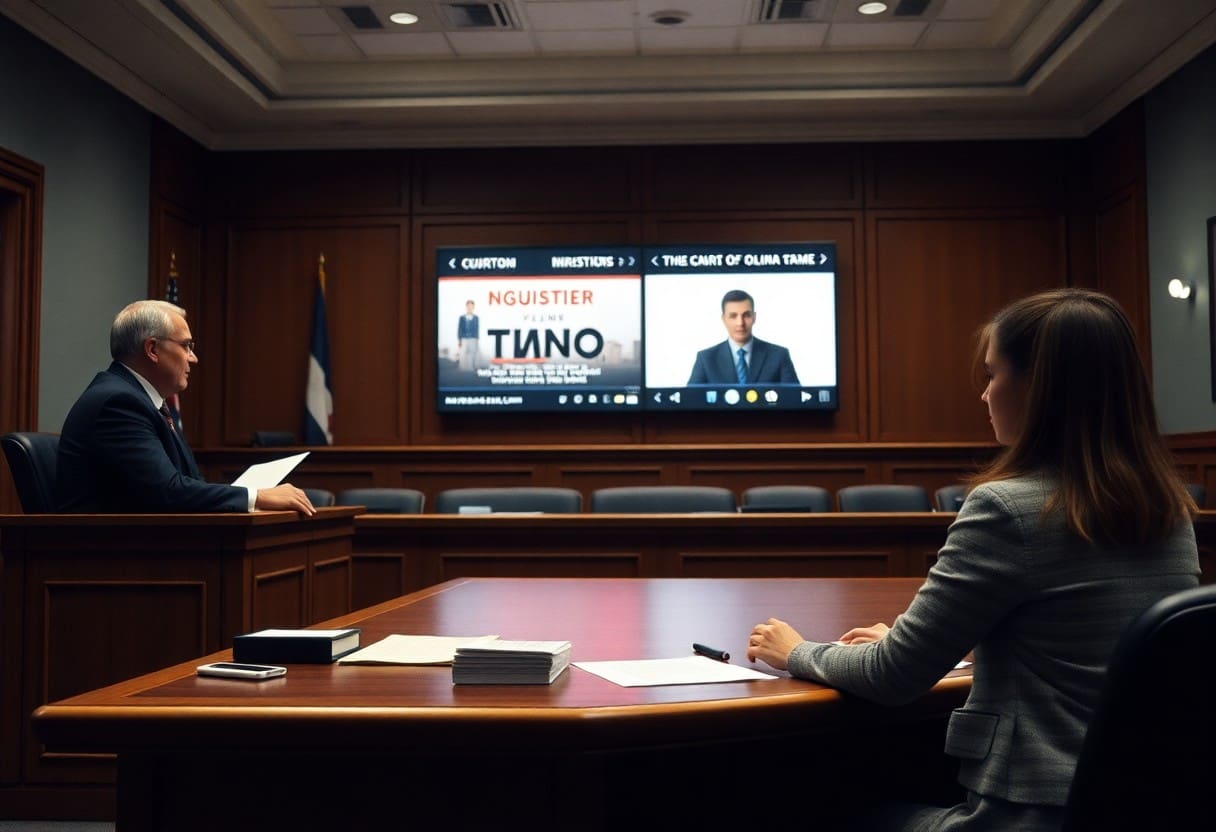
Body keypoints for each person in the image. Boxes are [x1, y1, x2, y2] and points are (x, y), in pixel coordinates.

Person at [746, 288, 1199, 831]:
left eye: (992, 374)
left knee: (800, 801)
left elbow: (892, 677)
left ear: (1038, 386)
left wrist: (796, 651)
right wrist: (916, 641)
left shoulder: (1006, 509)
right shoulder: (1170, 510)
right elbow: (1082, 651)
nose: (984, 394)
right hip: (1143, 812)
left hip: (1026, 817)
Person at [55, 299, 316, 515]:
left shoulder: (144, 401)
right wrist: (256, 496)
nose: (194, 358)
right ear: (152, 349)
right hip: (109, 554)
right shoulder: (118, 403)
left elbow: (187, 482)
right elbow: (168, 492)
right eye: (186, 346)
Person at [687, 289, 799, 384]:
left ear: (754, 317)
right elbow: (690, 399)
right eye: (733, 316)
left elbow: (795, 398)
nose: (740, 323)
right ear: (724, 319)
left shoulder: (779, 355)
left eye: (746, 315)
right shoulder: (706, 359)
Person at [457, 299, 480, 371]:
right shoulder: (462, 317)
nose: (470, 307)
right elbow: (460, 328)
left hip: (473, 338)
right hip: (464, 338)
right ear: (466, 306)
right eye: (468, 306)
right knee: (463, 353)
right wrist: (459, 340)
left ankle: (472, 367)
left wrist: (477, 339)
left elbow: (476, 328)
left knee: (473, 353)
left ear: (473, 307)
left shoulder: (476, 318)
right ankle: (463, 368)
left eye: (471, 306)